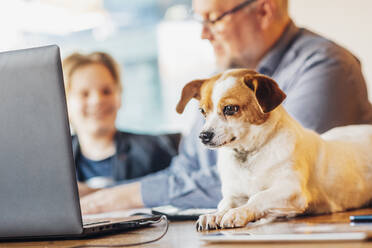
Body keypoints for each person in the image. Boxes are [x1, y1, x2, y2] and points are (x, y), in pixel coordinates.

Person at [80, 0, 372, 214]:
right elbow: (184, 172)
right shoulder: (221, 86)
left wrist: (112, 201)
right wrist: (99, 193)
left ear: (263, 10)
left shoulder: (325, 66)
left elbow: (273, 180)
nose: (203, 34)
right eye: (200, 21)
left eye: (214, 19)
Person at [63, 52, 178, 196]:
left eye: (106, 91)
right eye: (84, 94)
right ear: (64, 103)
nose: (97, 100)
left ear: (119, 97)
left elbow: (178, 188)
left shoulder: (154, 150)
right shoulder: (54, 163)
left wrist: (93, 193)